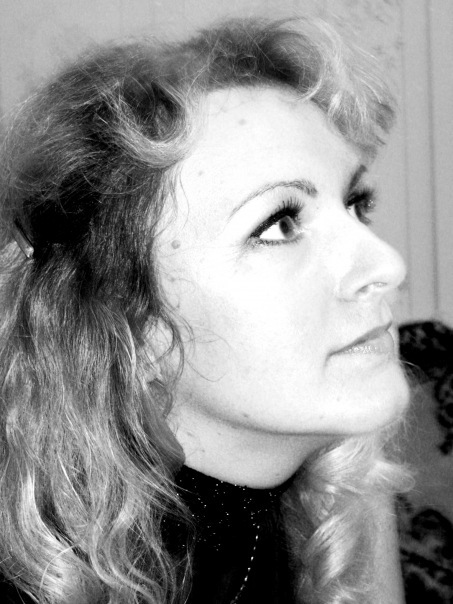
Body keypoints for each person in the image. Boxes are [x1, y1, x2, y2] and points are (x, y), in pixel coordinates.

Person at [0, 16, 411, 604]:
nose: (387, 264)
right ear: (132, 325)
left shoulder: (342, 482)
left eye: (356, 203)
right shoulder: (45, 577)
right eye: (280, 224)